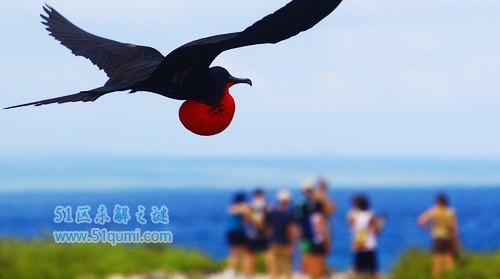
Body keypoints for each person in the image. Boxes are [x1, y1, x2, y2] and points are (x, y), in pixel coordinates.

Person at [418, 193, 459, 277]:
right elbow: (455, 227)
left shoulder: (434, 211)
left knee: (436, 262)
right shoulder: (450, 211)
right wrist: (456, 239)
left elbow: (420, 220)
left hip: (437, 237)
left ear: (438, 202)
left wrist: (429, 228)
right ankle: (451, 277)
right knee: (449, 261)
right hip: (448, 237)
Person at [296, 180, 329, 279]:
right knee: (311, 256)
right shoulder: (304, 202)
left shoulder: (302, 202)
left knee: (312, 256)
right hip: (311, 235)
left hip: (310, 234)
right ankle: (311, 275)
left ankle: (312, 275)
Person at [347, 194, 383, 278]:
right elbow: (376, 231)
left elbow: (350, 223)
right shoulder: (371, 214)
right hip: (369, 245)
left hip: (358, 245)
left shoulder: (352, 215)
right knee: (373, 270)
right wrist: (380, 224)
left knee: (358, 269)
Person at [266, 189, 297, 279]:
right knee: (287, 269)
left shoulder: (272, 212)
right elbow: (291, 229)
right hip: (286, 243)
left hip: (273, 242)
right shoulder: (290, 213)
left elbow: (266, 226)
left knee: (274, 270)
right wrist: (292, 243)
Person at [246, 188, 272, 276]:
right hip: (257, 233)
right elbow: (247, 220)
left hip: (257, 233)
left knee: (263, 254)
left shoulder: (253, 206)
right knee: (253, 254)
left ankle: (250, 274)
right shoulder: (264, 206)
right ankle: (250, 273)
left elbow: (246, 220)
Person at [225, 192, 250, 278]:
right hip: (239, 231)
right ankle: (246, 272)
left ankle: (231, 271)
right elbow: (246, 221)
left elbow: (230, 211)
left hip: (230, 231)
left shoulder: (232, 207)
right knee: (245, 252)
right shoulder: (243, 208)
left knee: (233, 252)